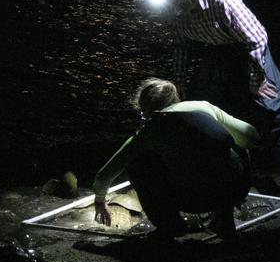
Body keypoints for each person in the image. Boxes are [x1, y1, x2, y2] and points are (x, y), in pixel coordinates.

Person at [143, 0, 280, 202]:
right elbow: (180, 43)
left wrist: (256, 80)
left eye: (170, 0)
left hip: (250, 51)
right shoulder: (174, 9)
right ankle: (228, 182)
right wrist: (179, 79)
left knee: (277, 117)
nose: (167, 7)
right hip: (217, 54)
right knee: (211, 117)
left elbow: (257, 38)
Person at [93, 78, 261, 240]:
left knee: (137, 163)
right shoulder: (203, 106)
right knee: (235, 146)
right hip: (235, 189)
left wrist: (100, 201)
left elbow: (105, 174)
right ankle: (224, 219)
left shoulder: (150, 129)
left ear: (146, 109)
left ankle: (170, 225)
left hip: (193, 199)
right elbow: (252, 136)